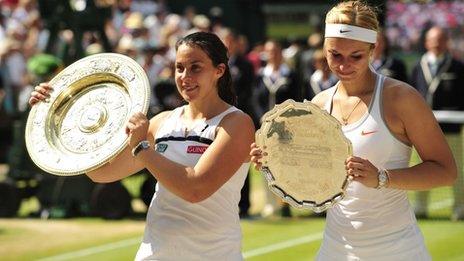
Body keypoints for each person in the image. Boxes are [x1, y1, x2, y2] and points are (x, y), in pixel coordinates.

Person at [250, 1, 456, 260]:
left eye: (355, 56)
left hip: (398, 249)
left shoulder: (401, 98)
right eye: (335, 55)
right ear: (324, 49)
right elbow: (311, 178)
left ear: (373, 49)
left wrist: (382, 178)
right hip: (335, 248)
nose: (344, 65)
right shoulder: (319, 104)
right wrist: (275, 162)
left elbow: (445, 171)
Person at [30, 31, 255, 260]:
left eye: (195, 67)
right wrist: (56, 110)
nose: (185, 76)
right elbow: (101, 172)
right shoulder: (161, 122)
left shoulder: (237, 123)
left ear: (219, 70)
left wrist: (142, 148)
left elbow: (195, 189)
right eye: (179, 68)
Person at [410, 26, 464, 221]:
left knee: (457, 169)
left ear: (447, 42)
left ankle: (460, 207)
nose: (436, 44)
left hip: (451, 129)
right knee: (421, 169)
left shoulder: (458, 67)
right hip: (422, 131)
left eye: (440, 40)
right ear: (426, 43)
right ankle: (420, 207)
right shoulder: (418, 66)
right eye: (433, 40)